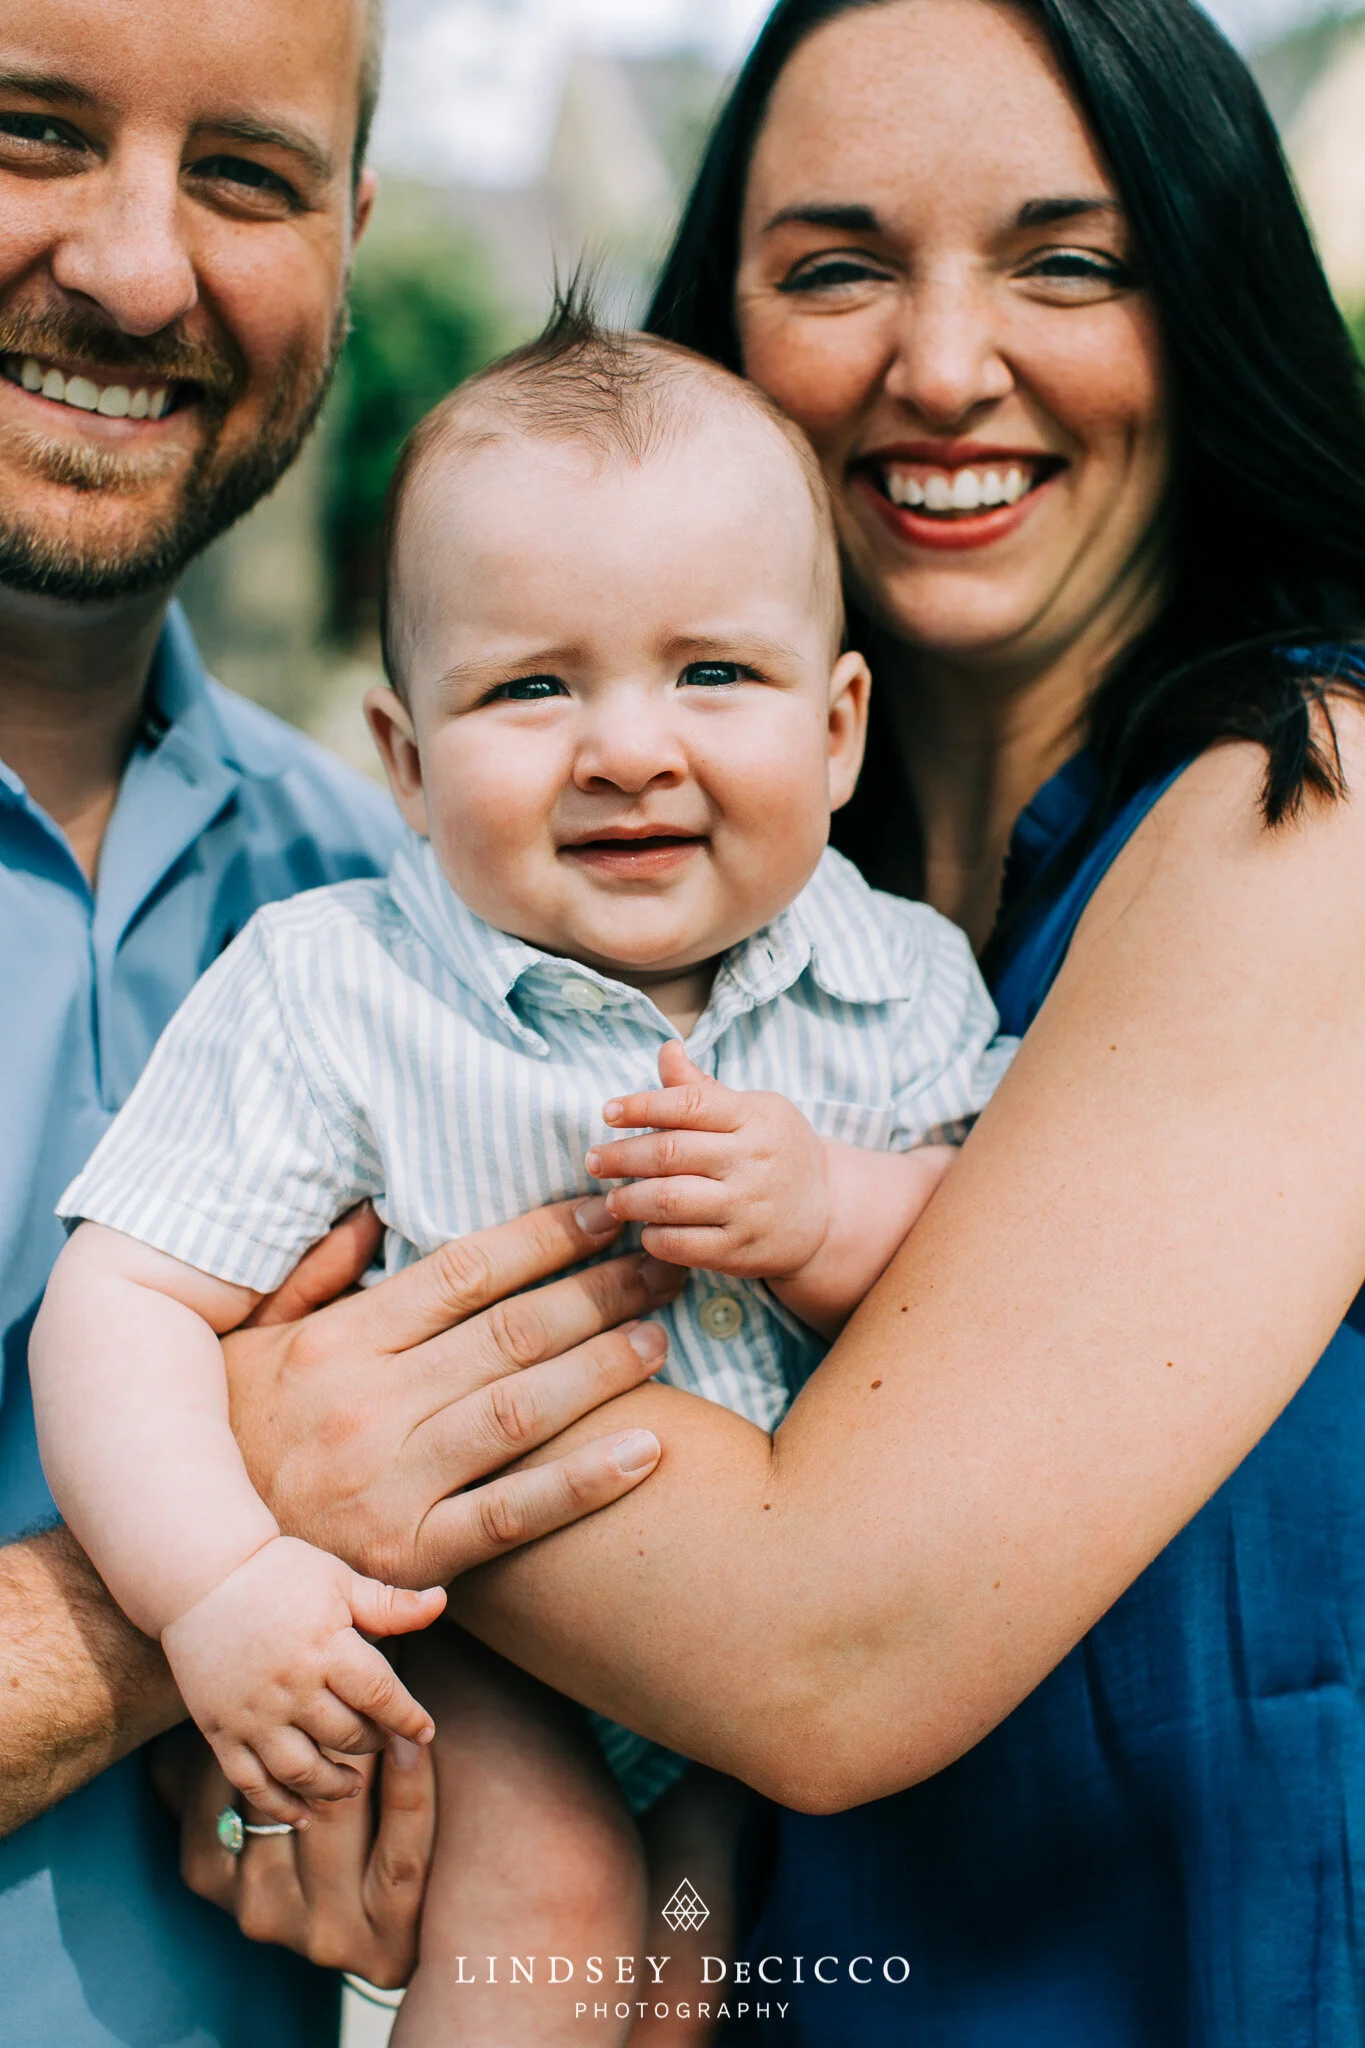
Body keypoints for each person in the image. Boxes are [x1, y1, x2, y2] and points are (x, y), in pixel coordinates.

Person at [197, 0, 1365, 2039]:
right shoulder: (771, 938)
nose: (937, 363)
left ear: (1202, 304)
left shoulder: (1308, 809)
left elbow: (821, 1645)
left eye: (1066, 260)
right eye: (833, 266)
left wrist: (281, 1428)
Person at [32, 305, 1014, 2045]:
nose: (627, 747)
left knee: (701, 1953)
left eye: (714, 673)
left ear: (843, 726)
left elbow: (1004, 1259)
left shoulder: (903, 979)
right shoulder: (337, 985)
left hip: (732, 1684)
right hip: (457, 1642)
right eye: (532, 686)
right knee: (548, 1894)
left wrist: (833, 1213)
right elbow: (119, 1308)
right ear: (404, 762)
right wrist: (212, 1587)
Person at [0, 5, 682, 2044]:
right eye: (30, 133)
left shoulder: (397, 909)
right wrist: (213, 1548)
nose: (136, 269)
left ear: (353, 230)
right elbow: (327, 1484)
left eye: (245, 174)